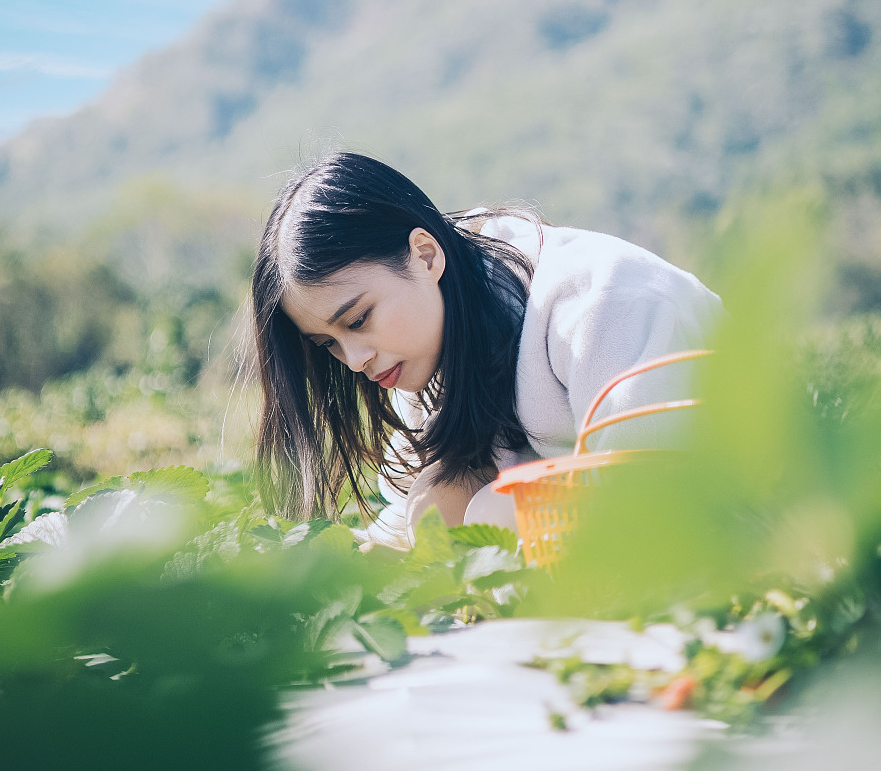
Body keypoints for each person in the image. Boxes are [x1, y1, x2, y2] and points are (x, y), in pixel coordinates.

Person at [250, 151, 720, 541]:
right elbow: (409, 521)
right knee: (440, 499)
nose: (354, 360)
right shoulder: (427, 348)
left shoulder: (605, 304)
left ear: (426, 255)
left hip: (735, 511)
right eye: (327, 343)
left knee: (494, 512)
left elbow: (659, 495)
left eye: (357, 320)